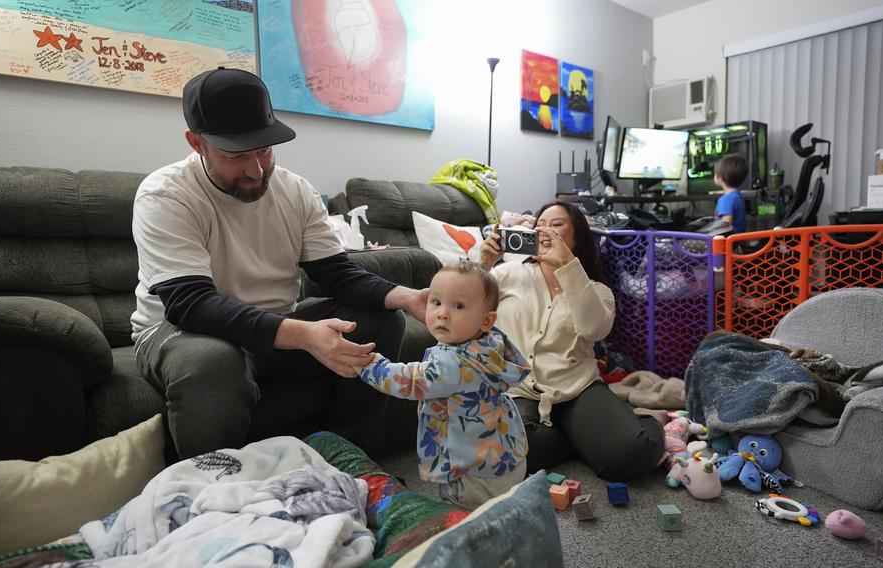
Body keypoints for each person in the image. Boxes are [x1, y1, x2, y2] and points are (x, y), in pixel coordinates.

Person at [130, 67, 426, 460]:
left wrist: (408, 297)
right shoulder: (165, 196)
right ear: (197, 143)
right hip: (180, 331)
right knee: (213, 362)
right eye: (236, 156)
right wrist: (304, 334)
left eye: (265, 151)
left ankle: (347, 460)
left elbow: (337, 275)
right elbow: (190, 304)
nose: (256, 170)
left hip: (273, 323)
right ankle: (211, 494)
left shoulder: (296, 190)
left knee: (384, 320)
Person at [479, 200, 665, 481]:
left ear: (576, 237)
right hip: (520, 389)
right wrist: (482, 264)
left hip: (578, 388)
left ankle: (648, 419)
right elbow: (464, 310)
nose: (545, 232)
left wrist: (566, 264)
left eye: (556, 226)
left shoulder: (596, 290)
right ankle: (582, 439)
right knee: (501, 454)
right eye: (539, 225)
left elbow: (594, 329)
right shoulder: (507, 274)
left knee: (632, 455)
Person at [354, 260, 530, 509]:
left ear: (486, 320)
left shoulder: (452, 363)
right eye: (436, 302)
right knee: (503, 506)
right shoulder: (492, 342)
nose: (443, 313)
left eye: (458, 306)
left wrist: (369, 365)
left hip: (471, 467)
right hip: (503, 450)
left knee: (464, 515)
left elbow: (409, 381)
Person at [714, 154, 749, 234]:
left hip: (728, 244)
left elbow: (725, 226)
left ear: (720, 177)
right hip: (738, 241)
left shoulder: (726, 199)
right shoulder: (737, 195)